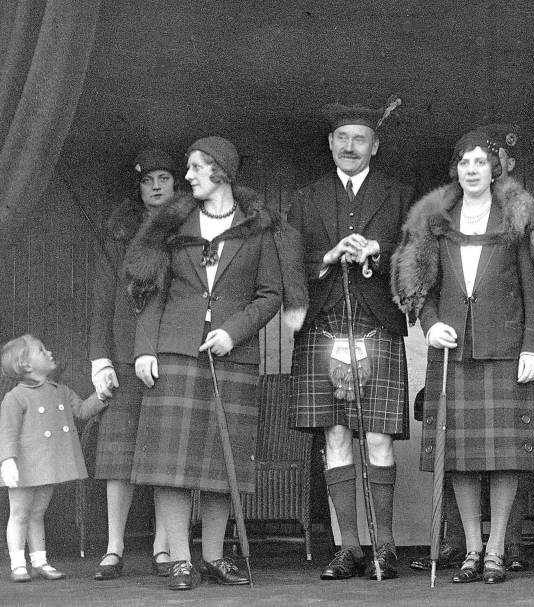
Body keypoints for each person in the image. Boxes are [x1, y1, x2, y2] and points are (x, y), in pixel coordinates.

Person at [124, 136, 306, 590]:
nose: (187, 177)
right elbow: (151, 290)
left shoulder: (257, 230)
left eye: (195, 168)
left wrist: (233, 332)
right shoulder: (174, 225)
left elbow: (271, 295)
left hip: (232, 356)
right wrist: (145, 348)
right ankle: (180, 560)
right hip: (175, 352)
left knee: (220, 467)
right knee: (171, 464)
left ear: (220, 172)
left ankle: (214, 557)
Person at [392, 128, 534, 584]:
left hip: (505, 352)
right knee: (460, 457)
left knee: (505, 457)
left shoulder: (512, 220)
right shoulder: (436, 223)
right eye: (464, 162)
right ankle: (470, 548)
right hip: (455, 353)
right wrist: (431, 325)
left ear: (495, 170)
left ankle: (495, 551)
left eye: (480, 162)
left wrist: (533, 347)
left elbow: (532, 288)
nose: (471, 170)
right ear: (457, 170)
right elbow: (422, 286)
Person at [288, 100, 412, 581]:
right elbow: (288, 266)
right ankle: (349, 548)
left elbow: (421, 261)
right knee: (335, 435)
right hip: (323, 327)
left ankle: (384, 547)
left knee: (378, 437)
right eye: (342, 138)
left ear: (374, 146)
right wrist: (327, 257)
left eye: (360, 138)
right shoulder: (305, 199)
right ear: (330, 144)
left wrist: (379, 254)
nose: (350, 146)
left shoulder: (399, 197)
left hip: (377, 325)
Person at [88, 149, 176, 581]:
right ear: (138, 186)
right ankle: (114, 547)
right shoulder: (119, 234)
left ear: (177, 183)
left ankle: (163, 547)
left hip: (170, 354)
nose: (156, 186)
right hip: (123, 355)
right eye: (148, 180)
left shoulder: (187, 229)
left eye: (164, 177)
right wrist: (100, 357)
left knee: (164, 458)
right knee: (118, 457)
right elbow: (102, 298)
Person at [0, 335, 108, 582]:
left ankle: (39, 561)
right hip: (23, 466)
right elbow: (6, 432)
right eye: (40, 350)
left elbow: (81, 410)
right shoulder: (15, 397)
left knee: (37, 513)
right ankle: (18, 564)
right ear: (25, 365)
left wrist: (102, 395)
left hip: (47, 465)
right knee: (19, 514)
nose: (48, 352)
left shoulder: (60, 391)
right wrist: (7, 460)